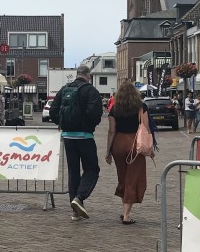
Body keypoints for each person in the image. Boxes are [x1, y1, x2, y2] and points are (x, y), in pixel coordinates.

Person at [49, 64, 103, 221]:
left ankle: (75, 211)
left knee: (73, 172)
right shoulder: (90, 91)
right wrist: (87, 124)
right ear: (88, 76)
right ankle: (79, 197)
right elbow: (95, 114)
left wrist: (63, 124)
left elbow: (53, 111)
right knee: (92, 169)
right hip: (85, 137)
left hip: (68, 137)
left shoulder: (65, 89)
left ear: (77, 74)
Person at [105, 81, 148, 225]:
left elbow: (111, 131)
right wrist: (149, 147)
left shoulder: (114, 108)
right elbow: (145, 127)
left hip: (118, 144)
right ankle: (126, 215)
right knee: (133, 178)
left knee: (123, 178)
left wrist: (108, 152)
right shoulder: (141, 107)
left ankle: (124, 210)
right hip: (134, 143)